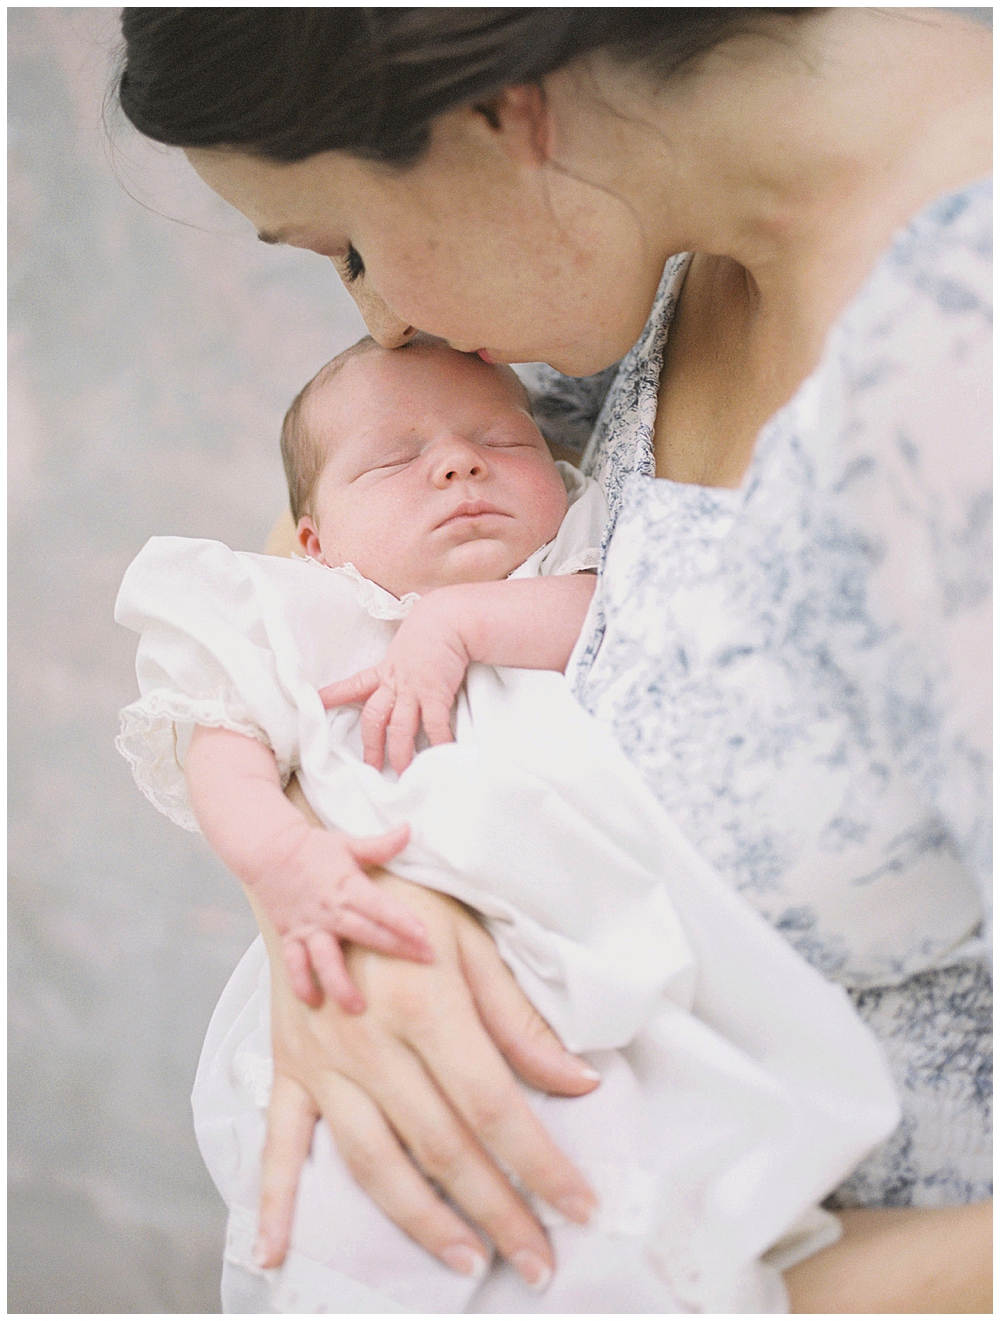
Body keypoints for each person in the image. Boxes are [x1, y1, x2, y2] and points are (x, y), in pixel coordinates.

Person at [115, 8, 992, 1312]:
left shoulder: (952, 375)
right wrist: (345, 886)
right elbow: (312, 558)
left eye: (351, 246)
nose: (384, 326)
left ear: (498, 114)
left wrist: (669, 1284)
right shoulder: (658, 235)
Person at [116, 333, 897, 1312]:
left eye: (502, 440)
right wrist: (282, 859)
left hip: (576, 935)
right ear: (311, 536)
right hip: (370, 943)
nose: (458, 462)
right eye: (397, 460)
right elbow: (219, 745)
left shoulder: (562, 567)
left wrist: (459, 623)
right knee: (363, 1198)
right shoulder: (296, 607)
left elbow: (608, 617)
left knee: (607, 1150)